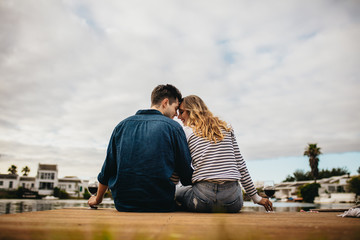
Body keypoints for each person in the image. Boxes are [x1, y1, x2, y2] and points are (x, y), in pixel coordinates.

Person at [88, 84, 193, 212]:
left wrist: (97, 199)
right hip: (160, 204)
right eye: (175, 108)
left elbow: (108, 169)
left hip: (123, 204)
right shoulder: (173, 127)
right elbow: (186, 174)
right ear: (165, 102)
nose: (176, 115)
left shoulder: (121, 125)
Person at [175, 95, 273, 213]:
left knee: (177, 192)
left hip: (202, 200)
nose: (179, 117)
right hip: (232, 202)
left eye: (181, 112)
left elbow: (181, 164)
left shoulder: (185, 131)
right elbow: (240, 164)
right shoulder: (226, 127)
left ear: (192, 110)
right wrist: (256, 198)